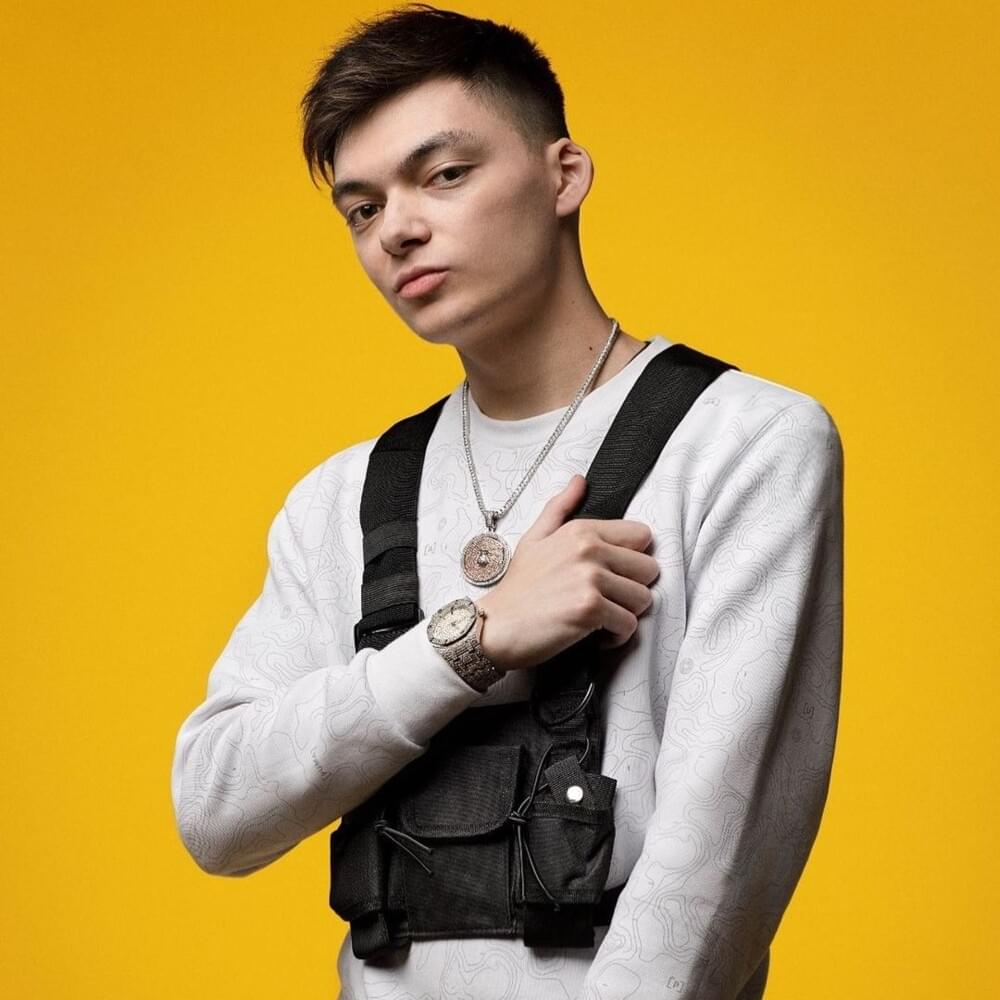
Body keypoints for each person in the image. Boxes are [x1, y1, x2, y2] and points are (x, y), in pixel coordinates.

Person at [170, 5, 844, 999]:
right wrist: (470, 638)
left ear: (563, 175)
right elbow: (215, 809)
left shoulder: (744, 441)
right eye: (361, 209)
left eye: (444, 174)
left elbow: (714, 870)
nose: (398, 229)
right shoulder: (343, 496)